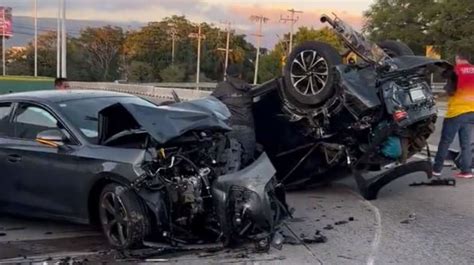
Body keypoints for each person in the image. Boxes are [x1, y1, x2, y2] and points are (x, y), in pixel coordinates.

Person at [433, 50, 474, 179]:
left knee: (445, 141)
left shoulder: (456, 70)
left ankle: (436, 170)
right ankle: (466, 171)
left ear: (458, 58)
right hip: (472, 111)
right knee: (466, 143)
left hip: (456, 112)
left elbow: (450, 89)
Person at [211, 64, 256, 165]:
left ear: (227, 75)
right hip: (248, 128)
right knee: (248, 164)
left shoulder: (222, 87)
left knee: (227, 163)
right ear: (240, 75)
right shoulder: (248, 88)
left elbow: (210, 102)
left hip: (229, 128)